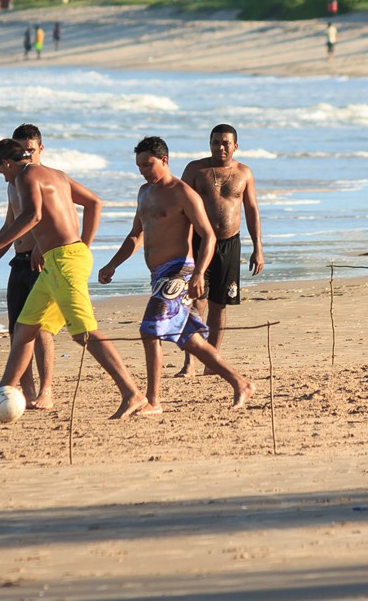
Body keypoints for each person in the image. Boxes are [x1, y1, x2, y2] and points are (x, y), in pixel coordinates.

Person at [0, 140, 146, 419]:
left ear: (6, 163)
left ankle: (132, 393)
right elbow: (91, 202)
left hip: (64, 262)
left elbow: (33, 215)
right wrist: (81, 245)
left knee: (83, 333)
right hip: (57, 261)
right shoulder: (56, 174)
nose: (4, 178)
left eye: (0, 171)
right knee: (24, 330)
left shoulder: (25, 175)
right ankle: (0, 395)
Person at [99, 137, 255, 413]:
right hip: (157, 274)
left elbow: (207, 235)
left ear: (164, 160)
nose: (143, 171)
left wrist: (198, 274)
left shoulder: (183, 193)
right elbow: (136, 235)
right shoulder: (144, 192)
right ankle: (240, 382)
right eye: (139, 166)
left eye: (148, 165)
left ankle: (152, 401)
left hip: (178, 272)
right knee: (190, 339)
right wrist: (113, 264)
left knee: (149, 330)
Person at [0, 124, 89, 410]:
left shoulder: (50, 178)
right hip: (19, 261)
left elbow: (51, 217)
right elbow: (11, 223)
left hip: (47, 261)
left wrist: (49, 246)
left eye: (30, 150)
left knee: (42, 331)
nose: (25, 154)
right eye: (20, 149)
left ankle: (46, 390)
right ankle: (20, 393)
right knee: (19, 329)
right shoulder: (15, 185)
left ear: (40, 149)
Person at [176, 124, 263, 377]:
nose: (220, 147)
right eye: (216, 142)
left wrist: (258, 247)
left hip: (229, 244)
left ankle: (211, 362)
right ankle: (189, 362)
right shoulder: (196, 169)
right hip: (199, 242)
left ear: (236, 146)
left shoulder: (244, 173)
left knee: (219, 304)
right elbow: (180, 205)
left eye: (226, 143)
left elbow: (252, 210)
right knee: (195, 302)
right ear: (210, 143)